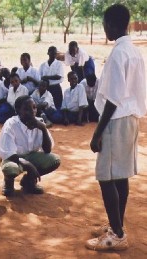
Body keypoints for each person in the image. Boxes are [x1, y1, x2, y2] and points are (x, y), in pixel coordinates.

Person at [86, 4, 146, 251]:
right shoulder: (133, 51)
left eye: (104, 24)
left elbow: (112, 99)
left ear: (110, 24)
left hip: (115, 120)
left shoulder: (118, 54)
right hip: (131, 118)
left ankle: (118, 234)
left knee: (106, 177)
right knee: (119, 175)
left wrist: (97, 133)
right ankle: (116, 225)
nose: (104, 28)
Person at [0, 95, 61, 197]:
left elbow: (47, 150)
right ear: (18, 110)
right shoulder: (11, 124)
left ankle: (28, 181)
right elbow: (7, 153)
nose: (32, 111)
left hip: (31, 155)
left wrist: (43, 129)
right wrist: (28, 165)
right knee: (10, 168)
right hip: (12, 158)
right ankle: (8, 182)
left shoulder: (39, 122)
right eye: (27, 109)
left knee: (55, 160)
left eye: (34, 107)